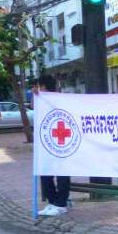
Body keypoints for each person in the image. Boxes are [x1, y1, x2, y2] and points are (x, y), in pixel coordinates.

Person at [33, 74, 71, 216]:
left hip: (62, 144)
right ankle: (53, 202)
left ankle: (61, 204)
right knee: (45, 172)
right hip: (47, 143)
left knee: (62, 173)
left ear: (43, 86)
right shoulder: (40, 99)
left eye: (38, 86)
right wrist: (36, 97)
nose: (37, 88)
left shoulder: (60, 99)